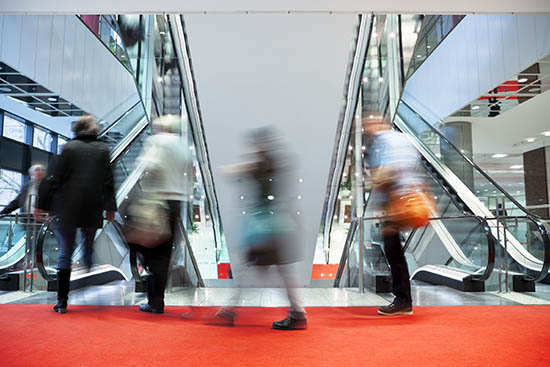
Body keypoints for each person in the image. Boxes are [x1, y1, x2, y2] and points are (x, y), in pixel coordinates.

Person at [212, 127, 306, 330]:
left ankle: (229, 311)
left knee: (250, 269)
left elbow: (234, 171)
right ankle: (297, 313)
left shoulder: (260, 165)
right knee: (282, 271)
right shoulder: (276, 163)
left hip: (265, 228)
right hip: (276, 225)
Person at [39, 115, 116, 314]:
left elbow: (55, 178)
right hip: (92, 206)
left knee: (65, 251)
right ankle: (89, 266)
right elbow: (108, 181)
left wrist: (44, 204)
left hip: (67, 207)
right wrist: (110, 207)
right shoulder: (102, 150)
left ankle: (62, 301)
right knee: (88, 243)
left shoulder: (68, 148)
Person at [129, 115, 191, 315]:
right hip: (176, 203)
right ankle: (157, 301)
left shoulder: (157, 141)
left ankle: (153, 299)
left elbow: (148, 165)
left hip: (156, 201)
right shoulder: (183, 146)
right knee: (163, 255)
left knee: (142, 245)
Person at [364, 117, 419, 316]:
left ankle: (403, 300)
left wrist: (378, 178)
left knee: (393, 251)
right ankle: (403, 299)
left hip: (397, 201)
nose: (367, 128)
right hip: (397, 200)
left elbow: (392, 170)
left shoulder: (387, 140)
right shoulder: (399, 139)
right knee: (393, 251)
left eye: (369, 124)